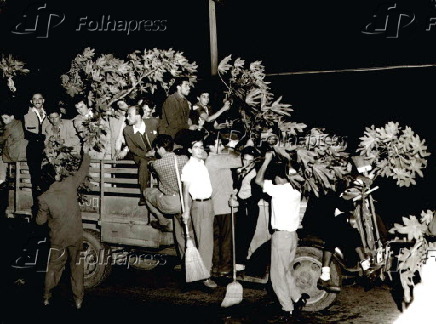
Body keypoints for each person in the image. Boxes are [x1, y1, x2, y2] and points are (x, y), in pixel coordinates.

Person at [36, 144, 90, 309]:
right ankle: (79, 300)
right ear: (56, 175)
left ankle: (46, 297)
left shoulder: (44, 198)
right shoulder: (70, 185)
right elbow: (83, 169)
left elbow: (40, 222)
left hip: (58, 239)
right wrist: (86, 153)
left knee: (53, 268)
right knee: (77, 267)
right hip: (75, 236)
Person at [255, 151, 308, 319]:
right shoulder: (296, 190)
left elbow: (258, 180)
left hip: (282, 237)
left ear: (279, 178)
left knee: (277, 276)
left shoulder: (279, 191)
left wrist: (266, 160)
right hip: (292, 236)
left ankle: (287, 308)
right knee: (287, 272)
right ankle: (298, 298)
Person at [180, 133, 217, 289]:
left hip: (208, 204)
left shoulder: (201, 162)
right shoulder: (189, 167)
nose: (200, 150)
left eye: (201, 147)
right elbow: (185, 190)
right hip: (199, 205)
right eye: (196, 147)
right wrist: (186, 211)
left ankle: (201, 272)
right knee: (205, 242)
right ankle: (205, 276)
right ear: (190, 150)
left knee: (205, 239)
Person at [205, 136, 242, 277]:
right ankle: (225, 267)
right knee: (227, 237)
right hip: (225, 205)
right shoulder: (216, 159)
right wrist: (231, 147)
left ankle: (215, 266)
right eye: (218, 143)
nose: (221, 145)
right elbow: (239, 161)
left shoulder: (210, 160)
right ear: (211, 147)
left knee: (216, 237)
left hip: (215, 204)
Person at [146, 135, 189, 246]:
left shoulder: (157, 164)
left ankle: (162, 220)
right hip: (185, 201)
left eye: (156, 149)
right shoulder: (185, 159)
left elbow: (151, 166)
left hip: (169, 203)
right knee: (184, 232)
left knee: (146, 192)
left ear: (160, 148)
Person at [233, 145, 261, 270]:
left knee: (247, 233)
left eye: (250, 161)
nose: (247, 163)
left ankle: (241, 260)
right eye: (245, 160)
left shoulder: (257, 173)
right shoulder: (237, 170)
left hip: (250, 206)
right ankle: (238, 259)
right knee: (238, 232)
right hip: (239, 204)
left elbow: (258, 192)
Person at [123, 105, 156, 206]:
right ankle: (144, 194)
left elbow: (162, 136)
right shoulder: (127, 130)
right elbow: (132, 148)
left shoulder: (153, 123)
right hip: (140, 155)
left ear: (138, 116)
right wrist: (146, 154)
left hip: (156, 153)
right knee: (143, 163)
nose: (127, 118)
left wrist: (156, 151)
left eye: (129, 115)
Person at [23, 92, 49, 203]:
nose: (37, 101)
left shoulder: (48, 114)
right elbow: (27, 133)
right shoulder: (26, 114)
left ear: (43, 100)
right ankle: (37, 205)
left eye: (39, 99)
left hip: (47, 149)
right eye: (34, 99)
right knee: (35, 178)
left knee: (48, 176)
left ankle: (47, 205)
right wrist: (41, 137)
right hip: (33, 149)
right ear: (31, 101)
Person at [0, 108, 28, 188]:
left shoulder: (9, 126)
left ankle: (1, 178)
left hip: (16, 153)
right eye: (2, 119)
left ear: (12, 117)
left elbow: (2, 138)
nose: (4, 121)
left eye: (5, 118)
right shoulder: (19, 123)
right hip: (25, 151)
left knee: (1, 157)